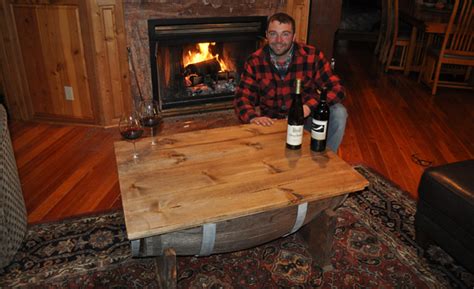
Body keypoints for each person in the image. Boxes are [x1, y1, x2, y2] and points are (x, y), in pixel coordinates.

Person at [233, 12, 347, 152]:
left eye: (285, 34)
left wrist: (308, 107)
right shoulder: (255, 60)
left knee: (339, 112)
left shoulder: (312, 56)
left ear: (294, 37)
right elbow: (242, 97)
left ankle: (326, 158)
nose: (279, 40)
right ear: (267, 35)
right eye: (273, 34)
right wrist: (252, 118)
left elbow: (337, 89)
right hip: (272, 124)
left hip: (306, 121)